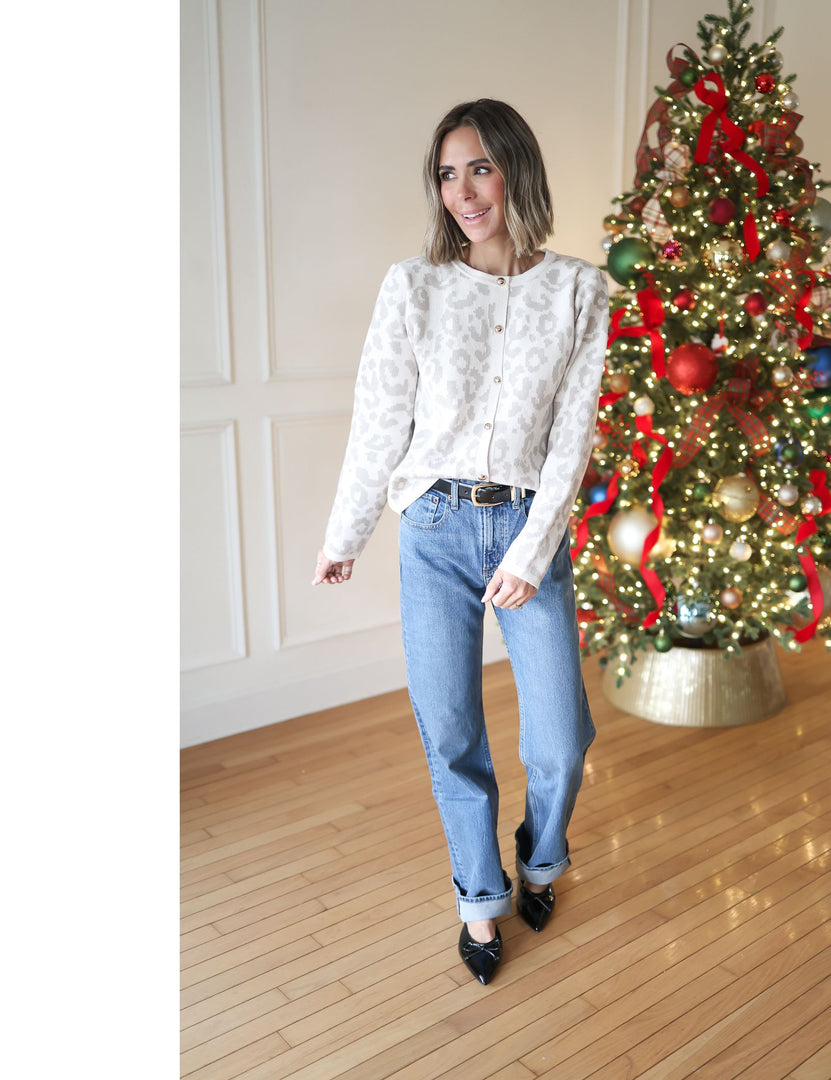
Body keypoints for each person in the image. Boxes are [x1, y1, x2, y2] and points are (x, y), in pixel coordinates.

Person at [312, 99, 609, 986]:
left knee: (561, 738)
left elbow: (572, 438)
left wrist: (531, 551)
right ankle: (480, 897)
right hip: (435, 526)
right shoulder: (414, 286)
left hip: (527, 527)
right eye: (448, 174)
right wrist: (346, 532)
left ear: (517, 169)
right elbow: (380, 419)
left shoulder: (580, 290)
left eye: (481, 167)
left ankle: (542, 857)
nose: (464, 192)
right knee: (450, 730)